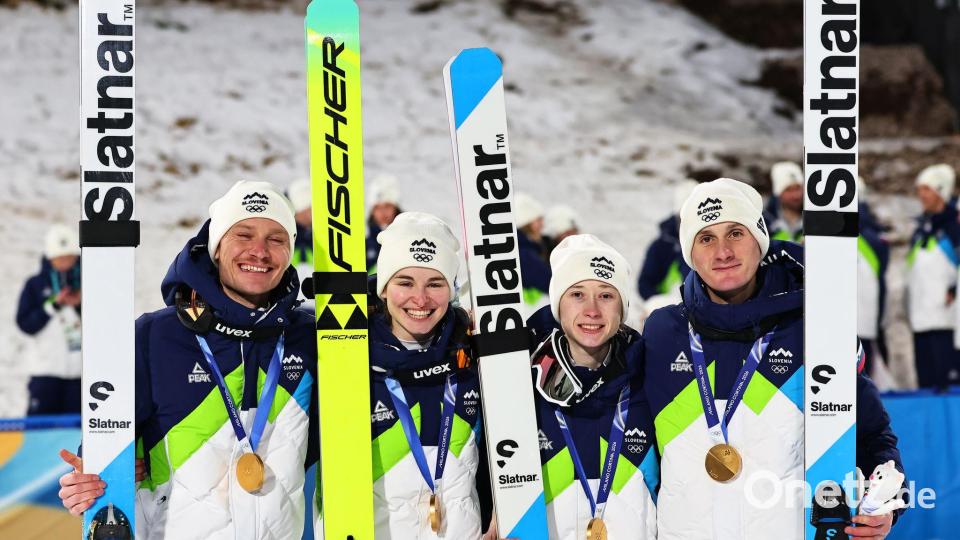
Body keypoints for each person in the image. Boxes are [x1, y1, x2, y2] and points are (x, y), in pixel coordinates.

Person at [643, 178, 905, 539]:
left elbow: (871, 434)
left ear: (760, 239)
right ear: (690, 251)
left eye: (736, 233)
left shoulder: (812, 327)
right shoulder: (661, 332)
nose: (722, 252)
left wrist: (889, 504)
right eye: (706, 238)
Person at [58, 180, 318, 540]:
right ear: (215, 247)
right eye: (243, 234)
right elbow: (104, 456)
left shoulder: (310, 338)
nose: (260, 251)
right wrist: (87, 482)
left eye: (276, 239)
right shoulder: (154, 336)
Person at [364, 211, 488, 538]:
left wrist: (503, 512)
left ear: (452, 291)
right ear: (384, 288)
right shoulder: (345, 358)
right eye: (405, 282)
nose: (420, 299)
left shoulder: (474, 357)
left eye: (435, 284)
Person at [527, 234, 658, 539]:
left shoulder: (649, 376)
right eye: (577, 295)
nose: (592, 310)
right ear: (558, 304)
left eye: (606, 295)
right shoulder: (520, 380)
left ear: (622, 308)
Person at [16, 224, 83, 415]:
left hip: (81, 375)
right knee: (39, 433)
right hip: (45, 372)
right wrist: (52, 306)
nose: (64, 262)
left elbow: (103, 325)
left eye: (69, 257)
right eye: (59, 258)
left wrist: (79, 305)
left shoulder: (88, 282)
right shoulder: (35, 285)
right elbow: (26, 324)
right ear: (49, 258)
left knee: (77, 436)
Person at [907, 163, 960, 390]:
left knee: (945, 384)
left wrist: (953, 289)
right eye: (919, 189)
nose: (921, 195)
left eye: (926, 189)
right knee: (925, 383)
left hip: (945, 320)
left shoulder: (953, 226)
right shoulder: (921, 229)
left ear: (941, 190)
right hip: (920, 319)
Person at [636, 179, 696, 307]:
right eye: (684, 215)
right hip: (668, 309)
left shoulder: (711, 244)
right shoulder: (660, 247)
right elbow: (645, 284)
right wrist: (662, 304)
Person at [514, 192, 552, 313]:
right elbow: (550, 282)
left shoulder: (528, 248)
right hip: (529, 314)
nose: (542, 224)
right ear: (526, 223)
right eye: (538, 220)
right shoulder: (524, 254)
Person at [366, 174, 402, 273]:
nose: (382, 212)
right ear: (372, 211)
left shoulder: (408, 239)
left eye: (387, 206)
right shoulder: (364, 245)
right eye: (377, 207)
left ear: (395, 208)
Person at [287, 178, 314, 308]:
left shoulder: (316, 235)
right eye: (311, 207)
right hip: (291, 306)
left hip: (316, 306)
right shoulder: (285, 235)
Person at [765, 161, 805, 243]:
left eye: (798, 188)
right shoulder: (765, 221)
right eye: (788, 190)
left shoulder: (815, 218)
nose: (796, 195)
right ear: (778, 193)